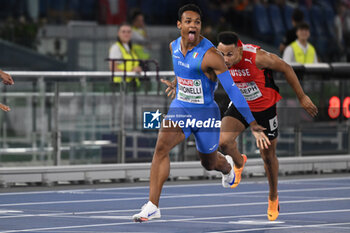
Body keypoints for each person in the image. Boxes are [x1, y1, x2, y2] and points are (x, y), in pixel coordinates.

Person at [132, 4, 270, 222]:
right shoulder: (173, 46)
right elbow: (185, 68)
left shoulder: (212, 55)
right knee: (161, 147)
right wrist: (178, 83)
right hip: (180, 108)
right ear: (179, 25)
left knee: (208, 163)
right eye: (188, 21)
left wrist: (252, 122)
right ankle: (153, 205)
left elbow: (233, 90)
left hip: (206, 114)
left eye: (197, 22)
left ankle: (227, 168)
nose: (193, 25)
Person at [216, 31, 318, 221]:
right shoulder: (218, 60)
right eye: (221, 54)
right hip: (240, 105)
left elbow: (286, 68)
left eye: (229, 54)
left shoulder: (258, 57)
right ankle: (239, 162)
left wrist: (302, 97)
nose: (225, 59)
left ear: (239, 49)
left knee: (268, 156)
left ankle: (273, 196)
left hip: (264, 109)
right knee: (223, 143)